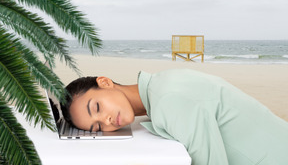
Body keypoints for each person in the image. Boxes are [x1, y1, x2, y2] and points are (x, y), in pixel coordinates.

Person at [61, 69, 288, 165]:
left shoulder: (168, 99)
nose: (107, 121)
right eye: (97, 127)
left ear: (105, 82)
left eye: (98, 107)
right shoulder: (160, 86)